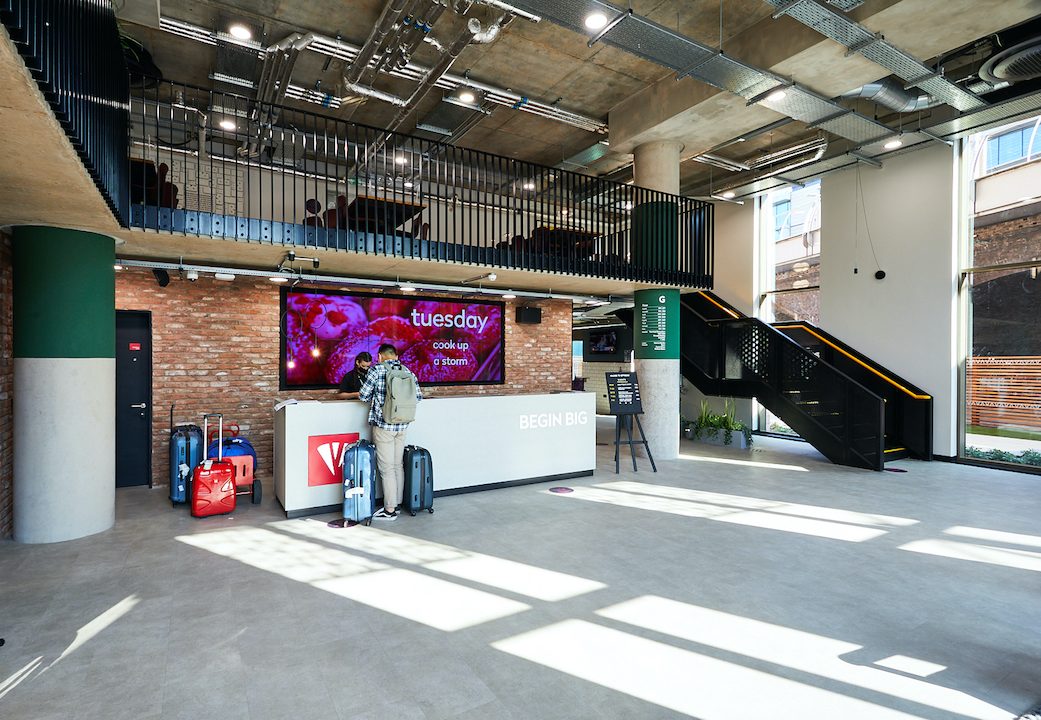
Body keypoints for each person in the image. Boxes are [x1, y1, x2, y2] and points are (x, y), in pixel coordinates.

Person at [358, 343, 422, 521]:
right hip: (403, 425)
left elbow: (363, 396)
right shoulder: (408, 371)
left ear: (379, 356)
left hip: (384, 425)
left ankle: (390, 510)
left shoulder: (376, 370)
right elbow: (418, 397)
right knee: (397, 465)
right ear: (396, 356)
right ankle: (398, 504)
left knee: (386, 469)